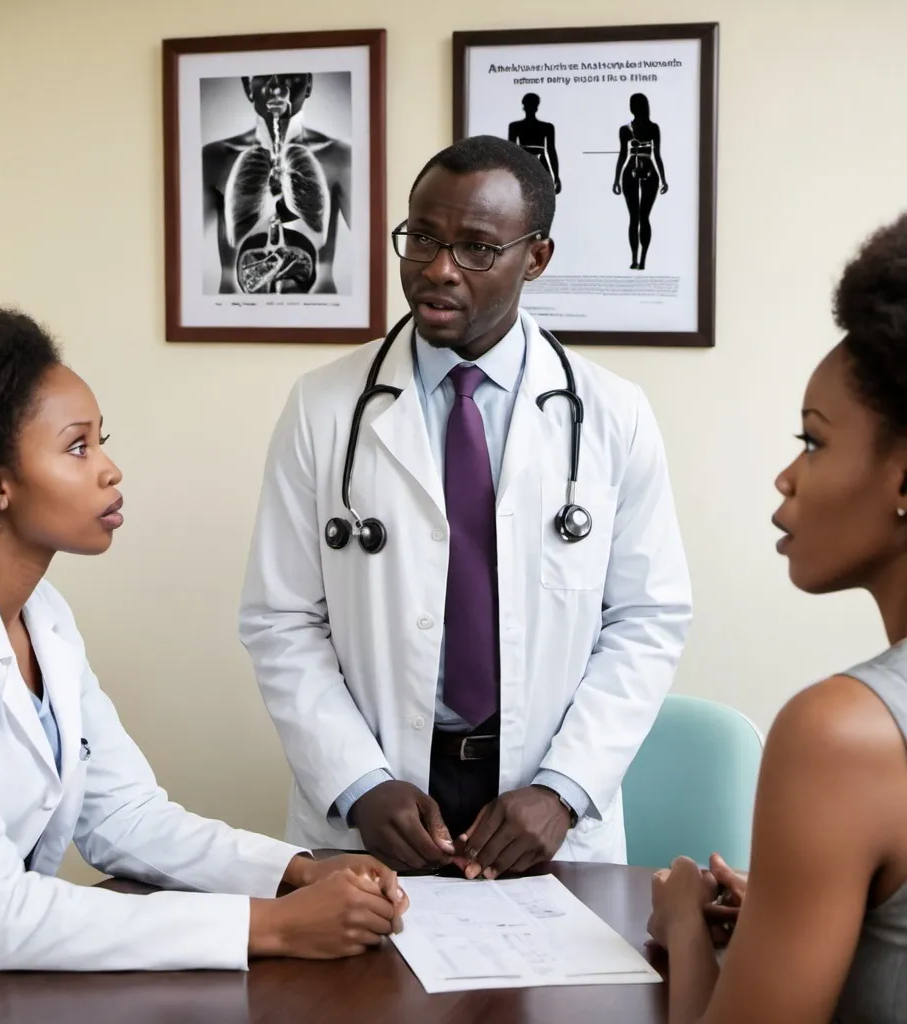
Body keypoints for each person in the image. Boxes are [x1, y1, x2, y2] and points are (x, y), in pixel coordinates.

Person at [0, 308, 408, 991]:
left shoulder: (43, 617)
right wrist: (272, 926)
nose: (110, 469)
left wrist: (297, 871)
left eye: (102, 442)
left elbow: (126, 817)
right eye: (78, 447)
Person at [238, 135, 692, 876]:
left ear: (535, 258)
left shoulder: (613, 415)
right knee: (360, 992)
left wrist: (564, 789)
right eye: (421, 238)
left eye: (477, 248)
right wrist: (358, 784)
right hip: (382, 800)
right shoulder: (323, 407)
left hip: (540, 806)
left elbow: (647, 620)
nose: (437, 270)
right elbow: (280, 618)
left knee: (555, 994)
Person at [648, 212, 907, 1024]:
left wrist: (685, 924)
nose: (786, 477)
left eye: (815, 442)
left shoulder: (844, 734)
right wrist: (800, 907)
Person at [202, 73, 351, 295]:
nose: (277, 88)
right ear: (247, 86)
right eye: (263, 77)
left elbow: (375, 248)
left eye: (289, 75)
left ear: (308, 83)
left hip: (318, 317)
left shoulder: (340, 157)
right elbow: (180, 251)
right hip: (236, 318)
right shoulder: (214, 157)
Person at [611, 92, 668, 271]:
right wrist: (616, 179)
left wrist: (664, 178)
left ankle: (639, 259)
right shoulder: (631, 129)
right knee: (639, 217)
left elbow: (657, 154)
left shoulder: (648, 128)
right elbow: (623, 154)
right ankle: (638, 259)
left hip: (640, 172)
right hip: (636, 171)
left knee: (638, 217)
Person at [508, 93, 562, 194]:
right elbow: (511, 152)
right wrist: (556, 176)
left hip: (533, 162)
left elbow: (551, 151)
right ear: (537, 107)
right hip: (529, 163)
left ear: (524, 107)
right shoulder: (546, 127)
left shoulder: (515, 126)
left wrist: (556, 176)